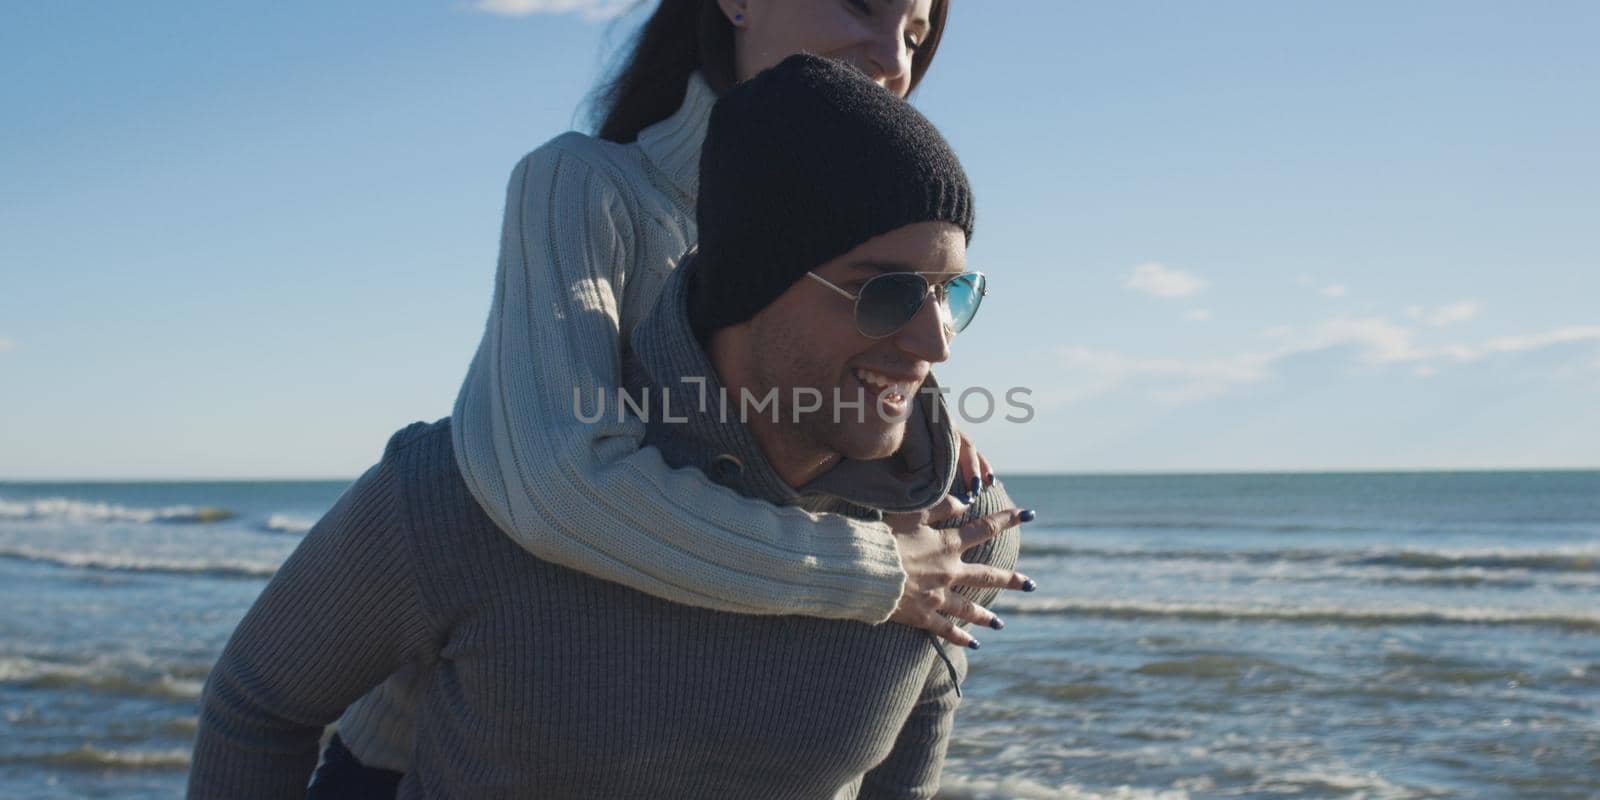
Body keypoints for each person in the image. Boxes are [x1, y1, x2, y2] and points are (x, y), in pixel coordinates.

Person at [188, 54, 1027, 799]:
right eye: (885, 294)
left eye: (952, 292)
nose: (935, 344)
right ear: (749, 286)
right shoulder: (461, 494)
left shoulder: (961, 541)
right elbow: (259, 707)